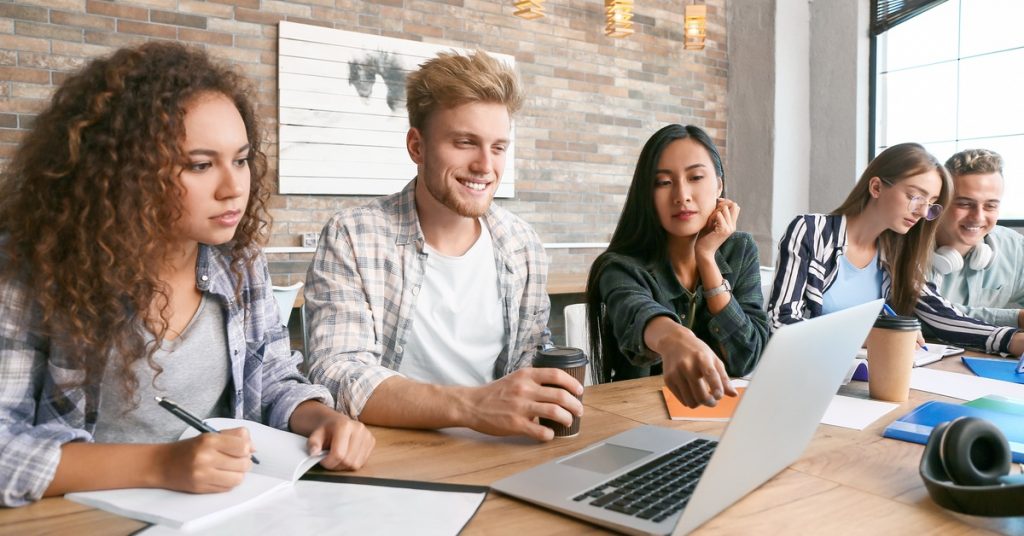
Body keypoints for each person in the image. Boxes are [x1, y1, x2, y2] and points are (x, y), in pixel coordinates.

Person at [0, 43, 374, 507]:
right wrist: (162, 465)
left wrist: (319, 417)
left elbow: (272, 378)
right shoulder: (33, 270)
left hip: (225, 510)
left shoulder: (237, 259)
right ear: (123, 173)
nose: (233, 187)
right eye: (200, 165)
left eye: (240, 160)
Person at [305, 50, 581, 442]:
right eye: (466, 142)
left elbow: (527, 361)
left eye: (498, 147)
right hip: (390, 460)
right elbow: (337, 374)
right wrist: (472, 407)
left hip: (502, 453)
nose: (486, 165)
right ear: (417, 147)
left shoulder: (522, 245)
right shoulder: (352, 236)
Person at [768, 142, 1024, 356]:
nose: (924, 212)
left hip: (864, 375)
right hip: (806, 372)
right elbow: (781, 321)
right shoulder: (812, 231)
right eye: (916, 197)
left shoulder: (896, 252)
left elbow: (942, 315)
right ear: (876, 187)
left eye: (931, 203)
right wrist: (862, 336)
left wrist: (1011, 340)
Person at [584, 124, 768, 409]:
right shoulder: (619, 267)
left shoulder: (739, 250)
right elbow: (638, 313)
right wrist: (674, 340)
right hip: (639, 418)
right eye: (663, 182)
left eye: (695, 177)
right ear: (648, 193)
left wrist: (707, 258)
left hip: (722, 416)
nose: (681, 194)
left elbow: (747, 356)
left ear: (718, 184)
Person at [930, 148, 1024, 328]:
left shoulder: (1014, 247)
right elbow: (926, 315)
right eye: (965, 204)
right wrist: (1016, 318)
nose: (978, 217)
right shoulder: (910, 247)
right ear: (940, 201)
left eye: (990, 206)